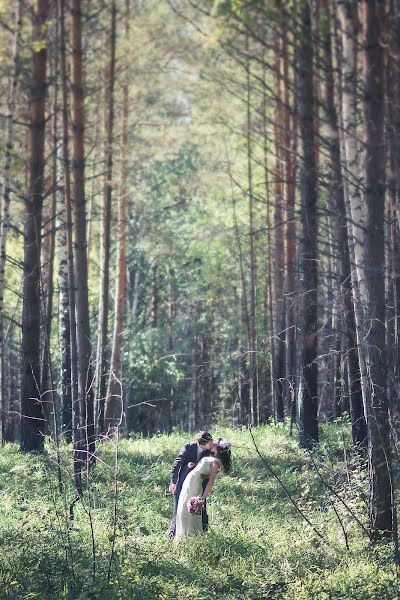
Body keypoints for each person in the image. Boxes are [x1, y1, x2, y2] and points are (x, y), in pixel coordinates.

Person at [175, 438, 232, 541]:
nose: (213, 443)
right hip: (190, 482)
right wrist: (196, 467)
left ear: (218, 448)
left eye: (215, 443)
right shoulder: (211, 457)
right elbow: (205, 473)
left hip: (195, 485)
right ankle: (182, 535)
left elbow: (211, 482)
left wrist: (202, 498)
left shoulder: (215, 463)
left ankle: (188, 536)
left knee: (186, 510)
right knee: (182, 507)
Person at [169, 431, 214, 538]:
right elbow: (177, 464)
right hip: (183, 483)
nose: (212, 444)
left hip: (199, 485)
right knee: (178, 509)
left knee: (201, 508)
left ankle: (203, 533)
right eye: (210, 442)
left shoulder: (209, 451)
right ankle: (173, 535)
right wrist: (173, 482)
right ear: (204, 443)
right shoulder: (188, 447)